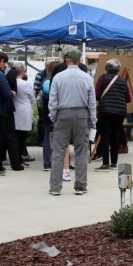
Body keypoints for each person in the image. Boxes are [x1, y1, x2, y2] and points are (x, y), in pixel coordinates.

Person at [47, 48, 96, 196]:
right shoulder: (87, 77)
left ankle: (55, 187)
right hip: (82, 114)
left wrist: (53, 117)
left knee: (58, 151)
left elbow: (53, 100)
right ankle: (80, 185)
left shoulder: (58, 77)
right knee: (81, 150)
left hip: (63, 113)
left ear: (66, 60)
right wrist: (93, 120)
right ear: (79, 60)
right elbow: (92, 101)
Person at [94, 59, 131, 170]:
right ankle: (114, 163)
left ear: (106, 68)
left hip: (105, 111)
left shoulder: (102, 78)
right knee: (115, 136)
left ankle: (106, 163)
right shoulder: (123, 80)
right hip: (120, 112)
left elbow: (97, 95)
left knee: (105, 136)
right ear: (118, 69)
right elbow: (128, 98)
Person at [12, 65, 36, 166]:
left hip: (14, 110)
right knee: (22, 137)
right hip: (24, 110)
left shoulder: (11, 82)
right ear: (22, 72)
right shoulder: (26, 84)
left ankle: (18, 158)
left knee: (16, 136)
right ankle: (19, 158)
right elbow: (32, 98)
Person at [37, 59, 58, 171]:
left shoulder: (46, 81)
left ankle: (47, 163)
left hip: (46, 113)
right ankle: (60, 162)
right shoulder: (59, 81)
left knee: (47, 138)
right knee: (60, 139)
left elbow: (40, 100)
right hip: (59, 114)